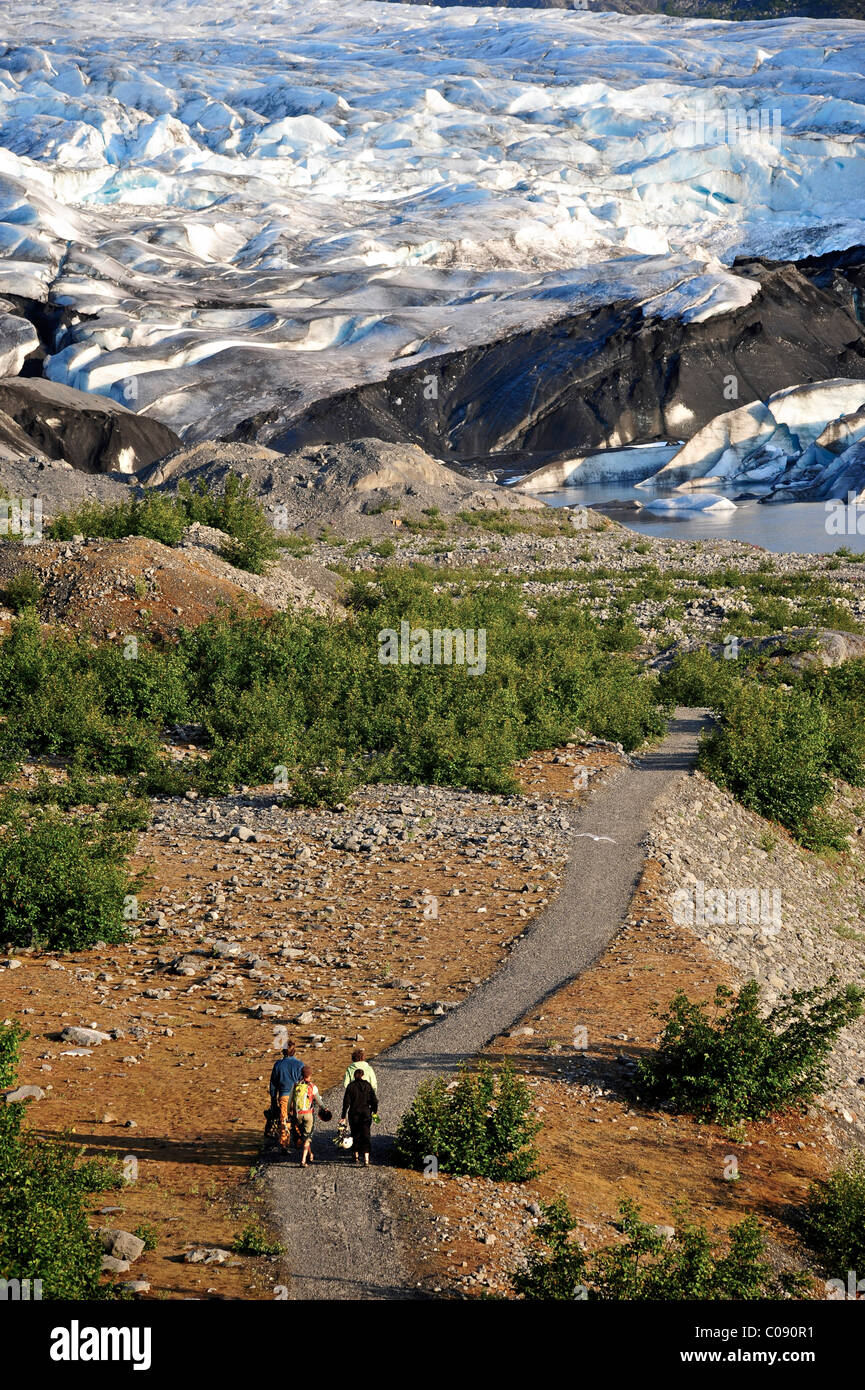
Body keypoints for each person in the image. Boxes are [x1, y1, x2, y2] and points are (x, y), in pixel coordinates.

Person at [268, 1042, 304, 1152]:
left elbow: (273, 1084)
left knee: (284, 1120)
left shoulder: (278, 1065)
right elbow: (302, 1083)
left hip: (283, 1095)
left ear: (283, 1051)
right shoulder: (299, 1064)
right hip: (297, 1096)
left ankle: (284, 1144)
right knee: (297, 1119)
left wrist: (273, 1099)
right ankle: (299, 1141)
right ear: (294, 1051)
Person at [341, 1066, 378, 1166]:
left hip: (354, 1113)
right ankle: (366, 1158)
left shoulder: (350, 1086)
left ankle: (356, 1155)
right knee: (366, 1134)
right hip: (366, 1113)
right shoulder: (368, 1085)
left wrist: (343, 1116)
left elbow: (346, 1102)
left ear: (354, 1076)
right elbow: (374, 1100)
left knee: (355, 1134)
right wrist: (374, 1111)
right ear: (362, 1075)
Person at [290, 1065, 324, 1167]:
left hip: (297, 1114)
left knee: (304, 1136)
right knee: (307, 1137)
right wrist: (324, 1108)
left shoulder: (295, 1085)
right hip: (308, 1115)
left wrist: (288, 1112)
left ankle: (310, 1154)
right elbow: (319, 1101)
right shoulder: (312, 1087)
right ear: (310, 1075)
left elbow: (289, 1101)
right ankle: (303, 1161)